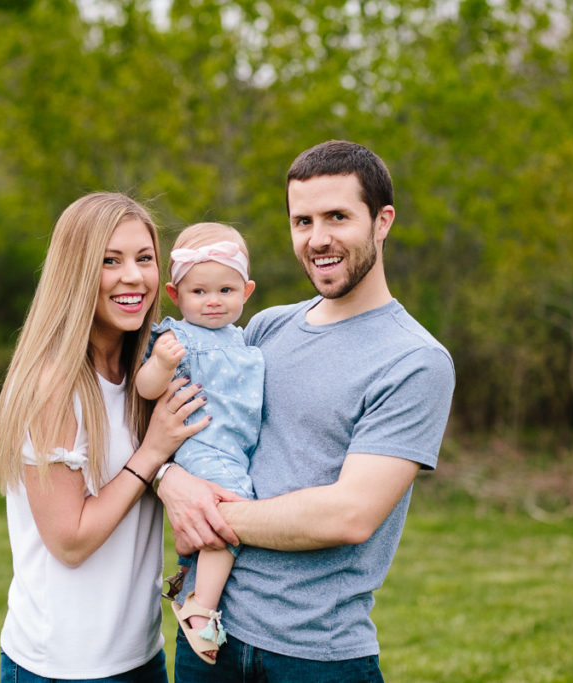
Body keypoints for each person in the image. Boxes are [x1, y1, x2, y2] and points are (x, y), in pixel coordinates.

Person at [157, 141, 456, 682]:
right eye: (303, 221)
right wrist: (169, 480)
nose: (317, 239)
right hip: (209, 638)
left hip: (315, 656)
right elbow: (189, 425)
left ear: (382, 221)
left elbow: (348, 515)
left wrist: (207, 514)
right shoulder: (266, 328)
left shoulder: (415, 360)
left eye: (337, 216)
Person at [0, 192, 213, 682]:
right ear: (75, 272)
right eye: (109, 261)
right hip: (65, 666)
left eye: (144, 258)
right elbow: (69, 541)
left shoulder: (149, 371)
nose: (133, 276)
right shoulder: (55, 384)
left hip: (142, 655)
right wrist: (152, 452)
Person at [135, 222, 263, 665]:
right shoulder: (177, 338)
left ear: (246, 291)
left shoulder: (243, 339)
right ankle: (200, 610)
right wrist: (161, 363)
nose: (213, 301)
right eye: (199, 291)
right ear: (176, 294)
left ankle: (185, 582)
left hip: (235, 449)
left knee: (214, 513)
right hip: (201, 442)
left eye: (226, 290)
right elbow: (146, 388)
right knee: (229, 509)